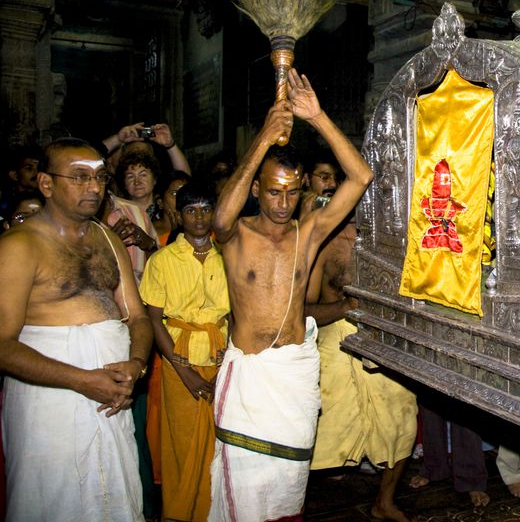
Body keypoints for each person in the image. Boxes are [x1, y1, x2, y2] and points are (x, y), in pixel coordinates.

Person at [209, 68, 372, 522]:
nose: (282, 203)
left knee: (286, 491)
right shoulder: (237, 235)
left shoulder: (310, 233)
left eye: (291, 192)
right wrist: (263, 138)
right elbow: (220, 218)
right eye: (273, 192)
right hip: (251, 383)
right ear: (256, 190)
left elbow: (360, 176)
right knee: (242, 488)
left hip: (293, 376)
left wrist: (317, 117)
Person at [0, 137, 153, 520]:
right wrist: (80, 379)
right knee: (51, 498)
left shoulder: (109, 239)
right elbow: (2, 345)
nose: (94, 187)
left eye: (101, 177)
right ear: (46, 184)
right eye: (80, 177)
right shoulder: (19, 245)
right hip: (49, 401)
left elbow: (137, 317)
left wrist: (136, 363)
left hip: (111, 394)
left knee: (115, 498)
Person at [304, 152, 418, 522]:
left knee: (402, 418)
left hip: (383, 337)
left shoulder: (391, 242)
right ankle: (297, 506)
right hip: (335, 337)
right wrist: (344, 308)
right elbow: (300, 311)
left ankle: (383, 502)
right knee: (320, 424)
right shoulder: (321, 245)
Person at [139, 181, 228, 521]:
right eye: (192, 210)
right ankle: (177, 512)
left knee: (218, 440)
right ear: (179, 214)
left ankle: (212, 510)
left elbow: (235, 314)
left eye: (206, 209)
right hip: (180, 358)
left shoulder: (227, 254)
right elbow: (154, 319)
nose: (200, 218)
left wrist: (227, 360)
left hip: (220, 352)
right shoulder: (163, 260)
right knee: (182, 441)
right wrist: (184, 371)